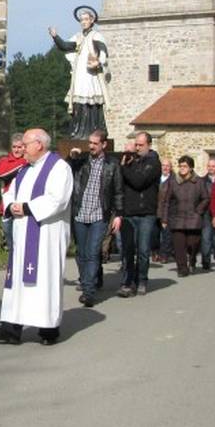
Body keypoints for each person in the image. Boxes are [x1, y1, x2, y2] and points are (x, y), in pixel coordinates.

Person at [0, 128, 73, 345]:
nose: (21, 148)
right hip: (22, 233)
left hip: (46, 236)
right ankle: (10, 328)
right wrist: (11, 205)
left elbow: (58, 199)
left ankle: (48, 329)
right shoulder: (24, 170)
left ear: (39, 145)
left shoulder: (59, 168)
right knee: (17, 281)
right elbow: (9, 192)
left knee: (44, 280)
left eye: (25, 144)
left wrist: (25, 207)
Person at [69, 129, 122, 307]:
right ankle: (86, 283)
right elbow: (66, 171)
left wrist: (119, 215)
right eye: (89, 143)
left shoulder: (112, 165)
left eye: (95, 143)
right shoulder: (81, 161)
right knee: (81, 254)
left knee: (92, 253)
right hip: (80, 214)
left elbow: (118, 192)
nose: (91, 146)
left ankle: (88, 291)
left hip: (100, 215)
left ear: (103, 144)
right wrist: (72, 157)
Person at [48, 6, 109, 139]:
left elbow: (103, 52)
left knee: (91, 102)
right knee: (79, 103)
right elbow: (65, 46)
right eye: (81, 20)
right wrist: (55, 36)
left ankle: (93, 131)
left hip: (91, 75)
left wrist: (98, 62)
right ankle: (78, 131)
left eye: (86, 19)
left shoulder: (96, 36)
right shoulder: (78, 37)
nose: (83, 22)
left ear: (91, 21)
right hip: (80, 74)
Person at [117, 131, 160, 297]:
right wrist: (125, 164)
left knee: (143, 250)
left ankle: (142, 279)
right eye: (136, 144)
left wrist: (124, 168)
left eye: (141, 145)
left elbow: (139, 182)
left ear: (149, 145)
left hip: (146, 213)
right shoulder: (130, 162)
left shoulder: (154, 163)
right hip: (129, 212)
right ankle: (128, 281)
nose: (137, 148)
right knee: (127, 249)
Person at [158, 155, 209, 277]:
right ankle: (182, 269)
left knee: (192, 243)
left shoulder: (199, 182)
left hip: (194, 218)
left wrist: (199, 210)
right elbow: (166, 201)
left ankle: (191, 260)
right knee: (179, 245)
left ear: (191, 168)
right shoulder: (173, 182)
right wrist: (164, 218)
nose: (182, 168)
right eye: (180, 166)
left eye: (185, 166)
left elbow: (206, 198)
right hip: (177, 218)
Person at [0, 134, 27, 253]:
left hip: (24, 210)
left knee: (23, 249)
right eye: (14, 147)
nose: (17, 150)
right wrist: (24, 163)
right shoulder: (4, 161)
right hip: (7, 210)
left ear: (25, 147)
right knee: (12, 249)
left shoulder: (31, 162)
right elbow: (2, 174)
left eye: (20, 147)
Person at [200, 158, 215, 270]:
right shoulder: (202, 181)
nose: (211, 168)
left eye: (213, 166)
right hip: (206, 212)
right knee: (206, 237)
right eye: (209, 166)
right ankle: (206, 260)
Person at [155, 158, 174, 263]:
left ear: (171, 168)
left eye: (167, 166)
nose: (165, 167)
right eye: (163, 165)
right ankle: (155, 252)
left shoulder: (173, 180)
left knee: (166, 234)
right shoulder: (156, 178)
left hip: (167, 211)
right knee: (155, 234)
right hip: (154, 210)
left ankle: (164, 255)